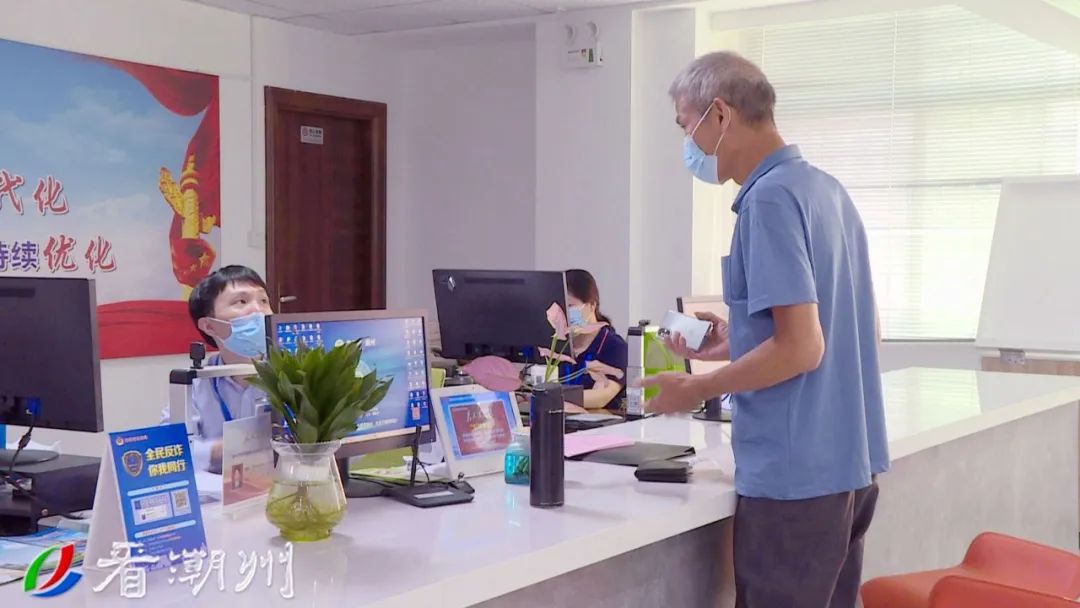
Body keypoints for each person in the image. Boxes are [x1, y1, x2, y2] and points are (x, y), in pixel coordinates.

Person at [642, 52, 888, 608]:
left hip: (795, 480)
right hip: (849, 468)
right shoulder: (826, 191)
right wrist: (738, 339)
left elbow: (802, 348)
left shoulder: (769, 200)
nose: (688, 144)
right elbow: (849, 327)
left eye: (686, 125)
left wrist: (697, 387)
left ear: (720, 114)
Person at [161, 265, 274, 473]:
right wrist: (225, 449)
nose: (258, 310)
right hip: (216, 489)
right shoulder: (196, 384)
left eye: (263, 301)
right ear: (209, 326)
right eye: (242, 301)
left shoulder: (292, 375)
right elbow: (168, 451)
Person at [561, 269, 627, 410]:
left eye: (570, 306)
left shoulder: (614, 347)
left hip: (600, 422)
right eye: (561, 307)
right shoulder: (557, 345)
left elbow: (600, 397)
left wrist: (551, 399)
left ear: (592, 305)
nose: (564, 313)